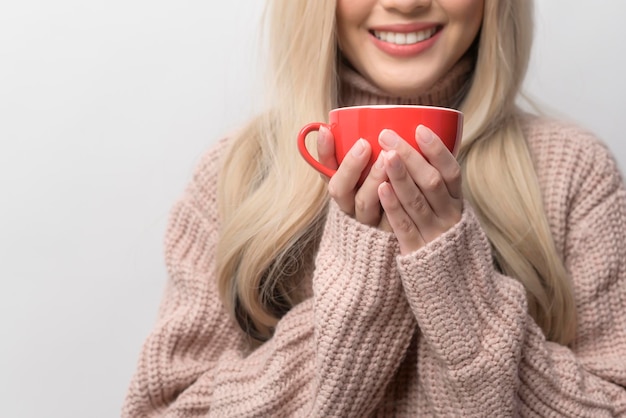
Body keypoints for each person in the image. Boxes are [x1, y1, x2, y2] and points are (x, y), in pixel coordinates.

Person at [122, 0, 626, 416]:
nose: (405, 4)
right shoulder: (239, 173)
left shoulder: (573, 173)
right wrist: (358, 295)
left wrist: (461, 292)